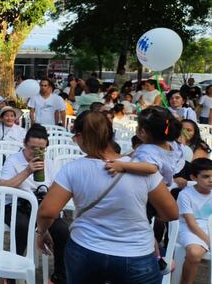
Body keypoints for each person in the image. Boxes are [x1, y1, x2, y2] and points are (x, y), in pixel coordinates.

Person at [36, 111, 178, 284]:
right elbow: (171, 213)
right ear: (111, 134)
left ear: (80, 136)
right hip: (137, 253)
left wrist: (42, 232)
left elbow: (47, 211)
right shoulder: (144, 168)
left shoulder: (73, 169)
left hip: (85, 250)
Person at [0, 124, 69, 284]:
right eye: (32, 148)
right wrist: (27, 171)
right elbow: (2, 186)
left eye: (41, 149)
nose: (36, 152)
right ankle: (10, 274)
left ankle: (59, 277)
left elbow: (53, 189)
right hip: (16, 206)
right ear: (24, 143)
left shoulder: (49, 163)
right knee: (22, 226)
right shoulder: (13, 160)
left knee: (62, 230)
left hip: (40, 207)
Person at [177, 158, 212, 284]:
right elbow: (191, 224)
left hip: (209, 228)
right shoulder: (185, 195)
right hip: (190, 229)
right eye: (206, 176)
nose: (211, 180)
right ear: (194, 177)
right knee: (194, 252)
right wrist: (210, 242)